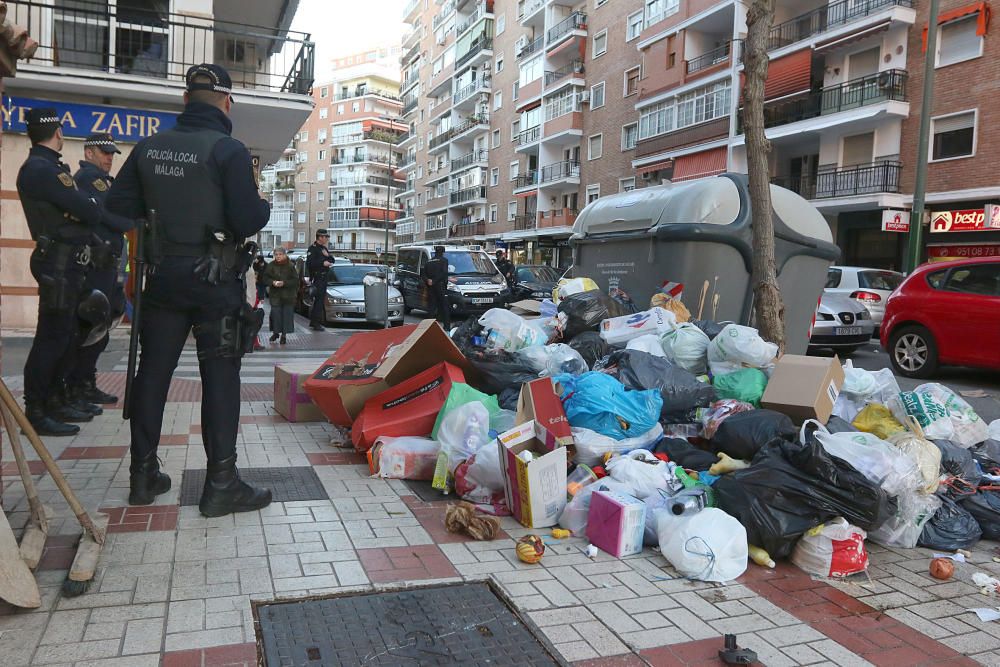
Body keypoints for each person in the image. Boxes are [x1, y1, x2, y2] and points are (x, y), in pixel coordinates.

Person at [107, 63, 272, 517]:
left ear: (184, 100)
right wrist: (263, 204)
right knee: (220, 377)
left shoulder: (148, 147)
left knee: (152, 373)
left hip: (161, 279)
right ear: (227, 102)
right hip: (215, 281)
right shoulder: (228, 150)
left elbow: (117, 206)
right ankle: (221, 483)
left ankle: (143, 476)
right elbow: (247, 219)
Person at [16, 109, 107, 436]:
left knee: (67, 333)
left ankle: (56, 399)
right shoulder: (41, 170)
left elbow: (81, 210)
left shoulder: (48, 168)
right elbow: (87, 209)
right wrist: (84, 209)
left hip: (67, 262)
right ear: (57, 132)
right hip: (57, 262)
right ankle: (37, 410)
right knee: (51, 338)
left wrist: (82, 210)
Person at [64, 133, 135, 408]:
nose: (109, 158)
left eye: (111, 154)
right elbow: (114, 217)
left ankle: (85, 383)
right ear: (89, 152)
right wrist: (126, 218)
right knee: (89, 326)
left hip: (109, 264)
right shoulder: (88, 179)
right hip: (95, 265)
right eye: (104, 152)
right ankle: (75, 386)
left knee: (101, 328)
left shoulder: (105, 182)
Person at [263, 247, 297, 344]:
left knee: (286, 315)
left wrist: (284, 283)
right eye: (276, 255)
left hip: (288, 295)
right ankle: (275, 332)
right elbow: (265, 278)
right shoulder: (271, 265)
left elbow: (295, 280)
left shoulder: (290, 266)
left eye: (280, 254)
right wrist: (272, 282)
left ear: (284, 255)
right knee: (275, 314)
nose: (278, 256)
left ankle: (284, 335)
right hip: (275, 295)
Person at [306, 229, 332, 330]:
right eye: (325, 237)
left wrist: (327, 256)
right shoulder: (313, 249)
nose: (327, 239)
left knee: (320, 301)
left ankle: (314, 321)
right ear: (320, 237)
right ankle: (315, 323)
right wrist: (322, 263)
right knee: (318, 301)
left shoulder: (323, 248)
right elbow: (310, 264)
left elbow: (332, 260)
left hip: (324, 277)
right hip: (317, 277)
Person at [421, 245, 451, 330]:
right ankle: (447, 327)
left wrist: (428, 281)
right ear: (443, 252)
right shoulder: (444, 260)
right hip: (440, 286)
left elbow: (423, 274)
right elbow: (444, 273)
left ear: (435, 252)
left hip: (431, 287)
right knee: (445, 307)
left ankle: (429, 327)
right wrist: (435, 280)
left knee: (432, 307)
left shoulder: (429, 261)